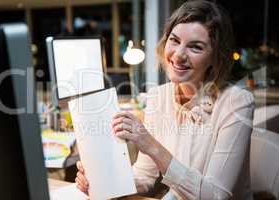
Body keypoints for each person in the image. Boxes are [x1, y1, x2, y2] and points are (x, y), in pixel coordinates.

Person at [75, 0, 255, 199]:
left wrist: (151, 145)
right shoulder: (158, 96)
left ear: (215, 57)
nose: (178, 55)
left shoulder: (237, 102)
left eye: (195, 47)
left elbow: (216, 196)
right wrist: (104, 182)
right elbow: (144, 176)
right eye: (175, 40)